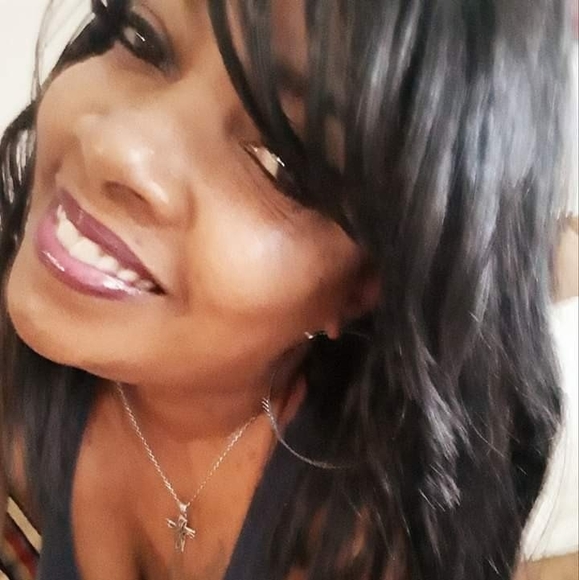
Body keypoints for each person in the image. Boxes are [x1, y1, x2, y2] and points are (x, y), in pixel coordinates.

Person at [0, 1, 574, 579]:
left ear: (364, 286)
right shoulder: (25, 382)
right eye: (141, 38)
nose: (112, 145)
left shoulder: (368, 536)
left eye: (282, 161)